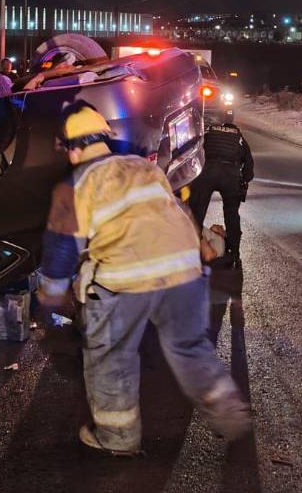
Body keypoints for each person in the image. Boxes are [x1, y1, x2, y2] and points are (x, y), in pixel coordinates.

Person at [34, 101, 252, 455]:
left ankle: (118, 437)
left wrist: (51, 297)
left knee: (111, 354)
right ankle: (230, 411)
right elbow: (176, 210)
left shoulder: (77, 184)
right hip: (184, 272)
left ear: (73, 148)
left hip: (125, 279)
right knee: (189, 347)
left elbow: (61, 252)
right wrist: (202, 248)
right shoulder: (142, 166)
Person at [188, 110, 254, 266]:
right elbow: (249, 168)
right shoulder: (240, 139)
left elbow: (195, 152)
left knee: (196, 213)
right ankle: (235, 254)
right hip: (230, 174)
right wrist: (244, 179)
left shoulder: (209, 133)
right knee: (231, 214)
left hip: (207, 170)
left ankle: (192, 252)